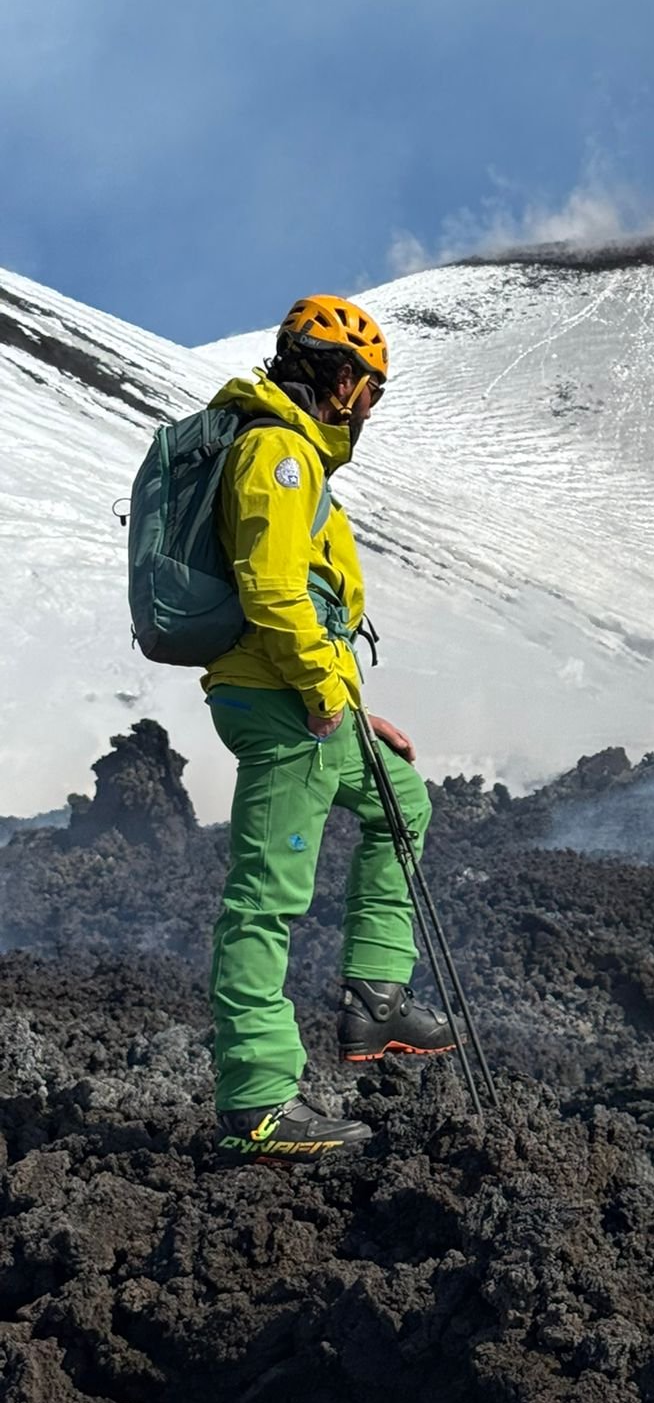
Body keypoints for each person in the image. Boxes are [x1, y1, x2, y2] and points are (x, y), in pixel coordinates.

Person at [203, 295, 455, 1163]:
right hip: (282, 704)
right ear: (343, 381)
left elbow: (304, 602)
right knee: (265, 897)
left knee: (404, 802)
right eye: (372, 391)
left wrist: (350, 701)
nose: (369, 410)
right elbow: (273, 592)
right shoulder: (276, 453)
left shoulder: (296, 453)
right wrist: (319, 690)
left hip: (308, 697)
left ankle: (376, 998)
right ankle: (257, 1102)